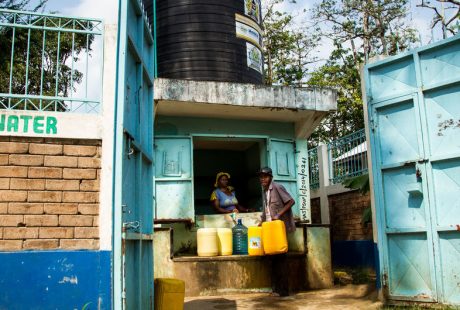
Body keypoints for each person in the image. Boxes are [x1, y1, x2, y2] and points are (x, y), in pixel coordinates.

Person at [258, 166, 295, 297]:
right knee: (272, 259)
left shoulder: (278, 187)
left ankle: (284, 291)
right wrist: (261, 222)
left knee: (281, 260)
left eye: (265, 176)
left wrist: (279, 214)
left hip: (279, 228)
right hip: (269, 229)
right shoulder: (264, 191)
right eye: (261, 177)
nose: (263, 179)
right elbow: (266, 211)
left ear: (270, 177)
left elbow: (291, 201)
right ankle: (276, 289)